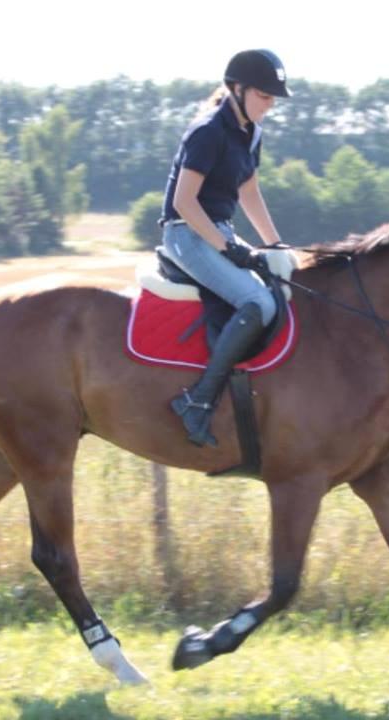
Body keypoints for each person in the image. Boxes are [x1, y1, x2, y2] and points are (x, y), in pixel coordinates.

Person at [159, 49, 291, 448]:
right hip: (185, 233)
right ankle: (198, 401)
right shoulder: (208, 131)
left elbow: (248, 190)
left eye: (272, 99)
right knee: (260, 304)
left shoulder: (251, 133)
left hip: (218, 230)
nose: (269, 106)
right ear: (238, 89)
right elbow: (184, 203)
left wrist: (274, 245)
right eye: (264, 97)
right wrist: (226, 247)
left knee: (281, 283)